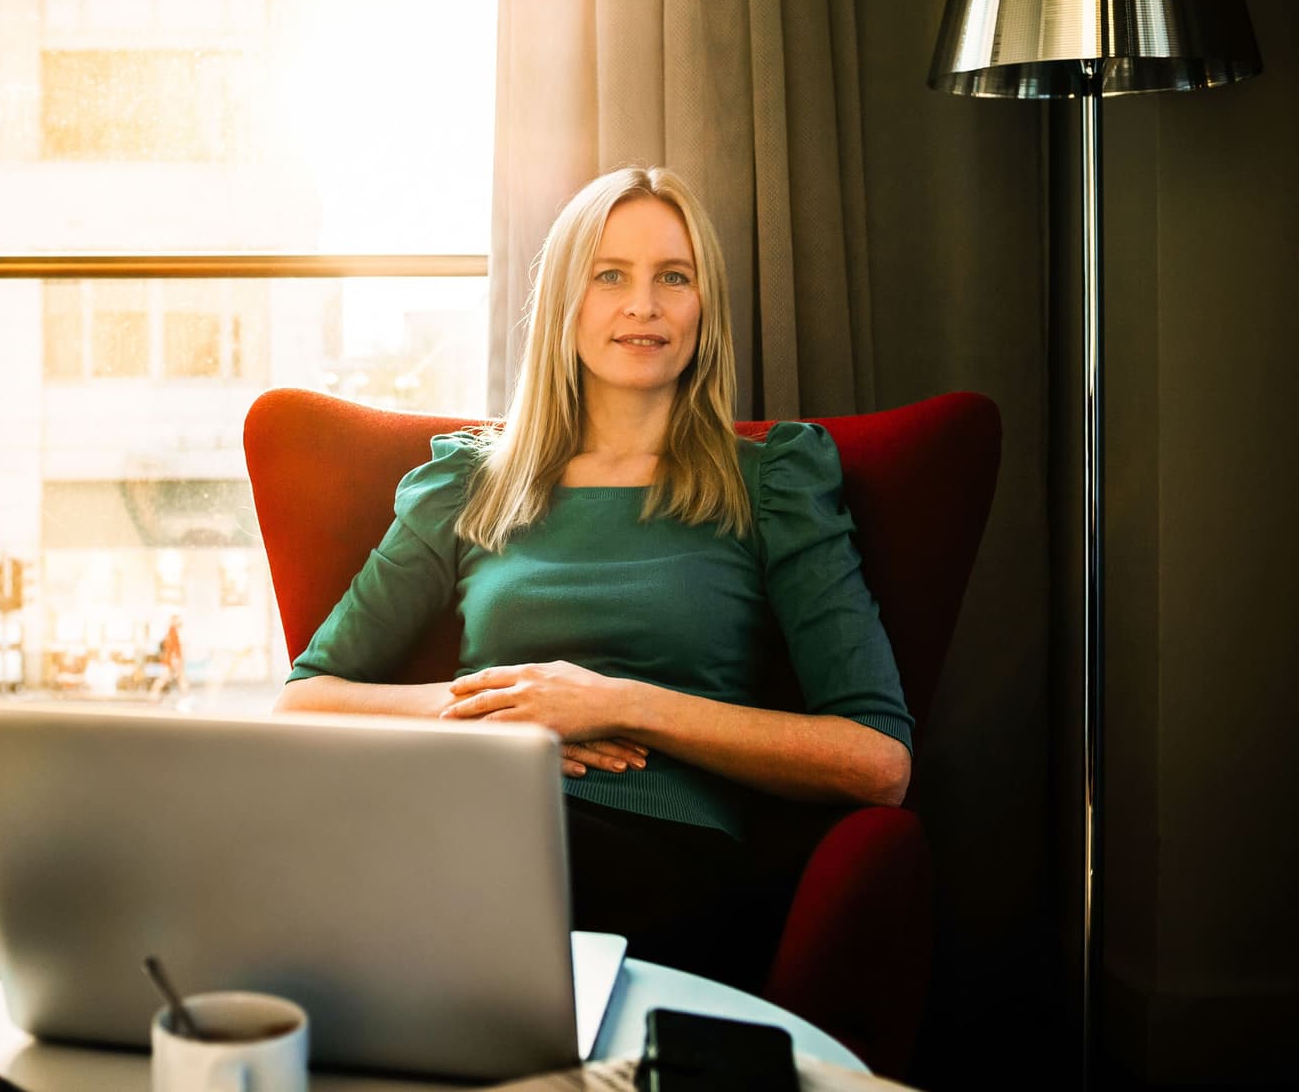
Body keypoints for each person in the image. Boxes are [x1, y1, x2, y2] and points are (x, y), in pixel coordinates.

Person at [274, 166, 913, 988]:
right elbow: (306, 698)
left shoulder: (774, 484)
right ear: (567, 302)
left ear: (703, 308)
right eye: (610, 275)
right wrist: (496, 710)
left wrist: (619, 704)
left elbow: (877, 761)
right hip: (460, 817)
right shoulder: (470, 484)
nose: (642, 305)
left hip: (657, 858)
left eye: (672, 278)